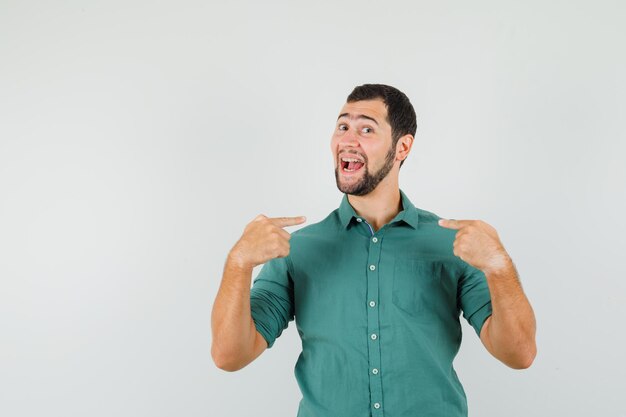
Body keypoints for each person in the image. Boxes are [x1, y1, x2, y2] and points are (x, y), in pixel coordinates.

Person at [211, 84, 537, 417]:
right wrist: (239, 264)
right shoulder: (297, 249)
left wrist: (499, 267)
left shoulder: (452, 244)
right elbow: (229, 356)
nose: (348, 140)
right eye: (343, 126)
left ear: (402, 147)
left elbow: (519, 354)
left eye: (366, 128)